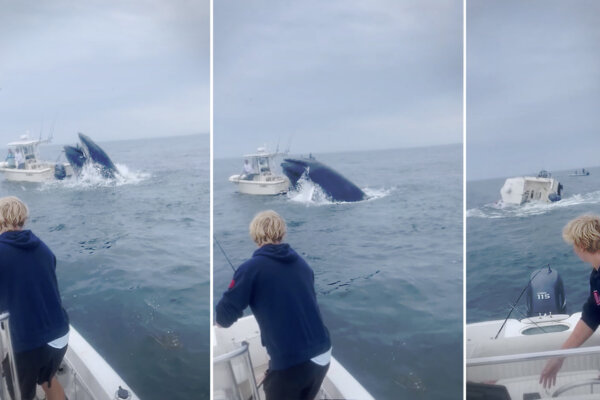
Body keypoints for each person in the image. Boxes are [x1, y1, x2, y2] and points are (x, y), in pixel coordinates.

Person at [216, 210, 331, 400]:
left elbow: (223, 318)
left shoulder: (250, 268)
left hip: (293, 364)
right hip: (323, 355)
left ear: (255, 236)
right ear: (282, 232)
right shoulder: (302, 264)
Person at [0, 196, 69, 400]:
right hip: (59, 336)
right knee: (47, 378)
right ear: (23, 218)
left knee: (21, 392)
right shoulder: (43, 247)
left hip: (27, 343)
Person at [540, 214, 600, 388]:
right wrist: (560, 356)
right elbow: (593, 314)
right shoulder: (596, 275)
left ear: (581, 246)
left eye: (573, 245)